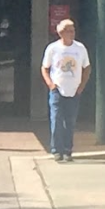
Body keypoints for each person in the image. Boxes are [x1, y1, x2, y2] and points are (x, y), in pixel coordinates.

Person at [41, 18, 91, 162]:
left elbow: (87, 67)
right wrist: (51, 84)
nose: (72, 33)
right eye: (69, 31)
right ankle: (56, 150)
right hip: (57, 90)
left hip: (74, 91)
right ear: (61, 33)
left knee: (70, 121)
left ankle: (68, 150)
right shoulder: (53, 48)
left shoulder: (80, 48)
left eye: (73, 30)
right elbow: (45, 68)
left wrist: (81, 86)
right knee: (56, 120)